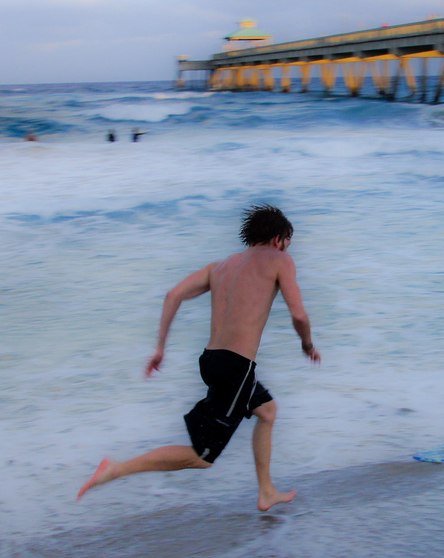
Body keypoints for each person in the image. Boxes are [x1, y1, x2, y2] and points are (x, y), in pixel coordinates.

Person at [77, 204, 320, 511]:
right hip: (236, 368)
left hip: (211, 360)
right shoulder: (280, 260)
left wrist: (160, 348)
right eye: (288, 241)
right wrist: (307, 345)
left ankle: (266, 490)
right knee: (202, 456)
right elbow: (298, 314)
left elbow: (173, 295)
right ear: (278, 238)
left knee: (267, 411)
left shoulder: (219, 267)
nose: (288, 248)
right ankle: (116, 469)